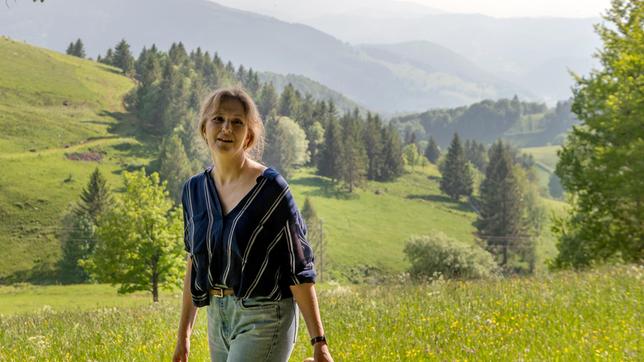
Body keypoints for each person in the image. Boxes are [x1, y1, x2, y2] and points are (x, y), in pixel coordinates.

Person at [173, 87, 333, 362]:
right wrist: (184, 335)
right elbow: (195, 262)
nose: (226, 128)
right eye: (218, 119)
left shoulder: (271, 190)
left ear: (248, 135)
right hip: (218, 316)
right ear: (204, 128)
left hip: (265, 314)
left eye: (237, 122)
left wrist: (319, 342)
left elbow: (299, 268)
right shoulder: (194, 191)